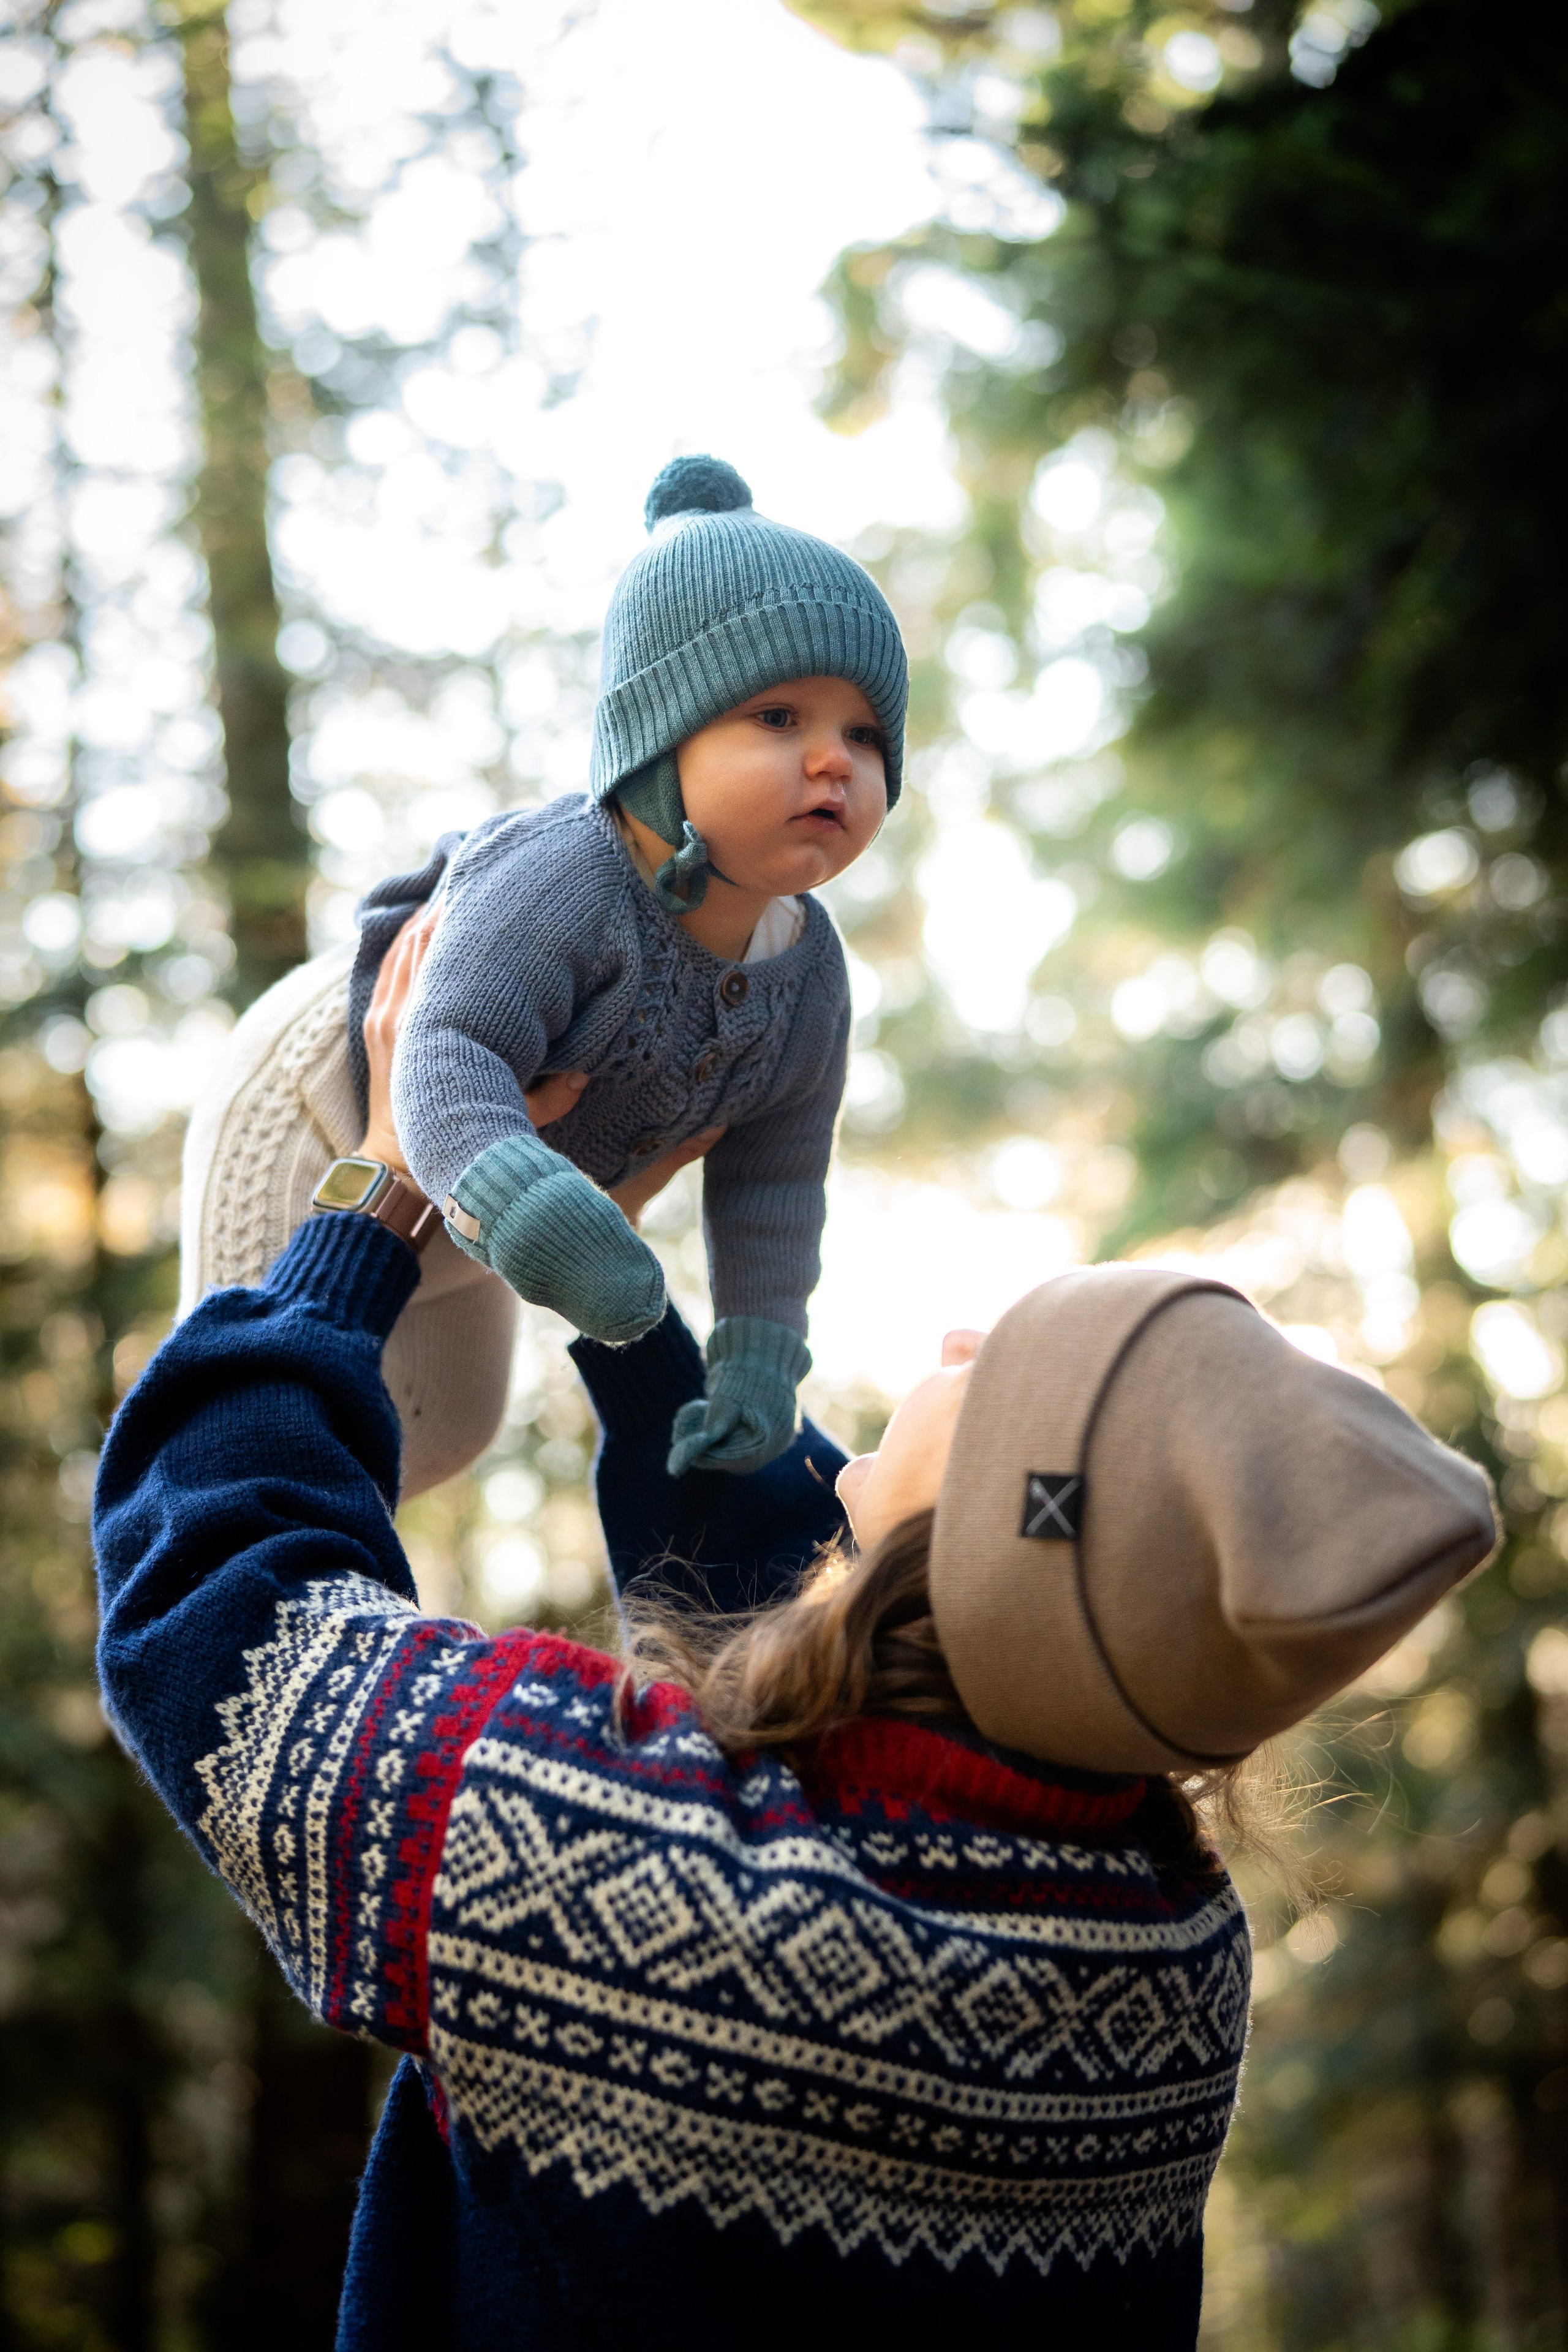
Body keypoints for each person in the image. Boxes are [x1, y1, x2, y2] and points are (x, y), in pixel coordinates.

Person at [95, 948, 1498, 2352]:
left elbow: (223, 1603)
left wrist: (383, 1190)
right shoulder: (1169, 1963)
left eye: (995, 1366)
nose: (955, 1338)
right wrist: (620, 1302)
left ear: (1007, 1522)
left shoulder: (592, 1862)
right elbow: (859, 1659)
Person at [178, 453, 907, 1496]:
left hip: (495, 1184)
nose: (836, 758)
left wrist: (758, 1351)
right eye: (779, 718)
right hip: (326, 1111)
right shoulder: (569, 877)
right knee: (252, 1437)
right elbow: (446, 1044)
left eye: (866, 733)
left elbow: (776, 1176)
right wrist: (534, 1212)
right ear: (659, 740)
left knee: (443, 1429)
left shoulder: (816, 978)